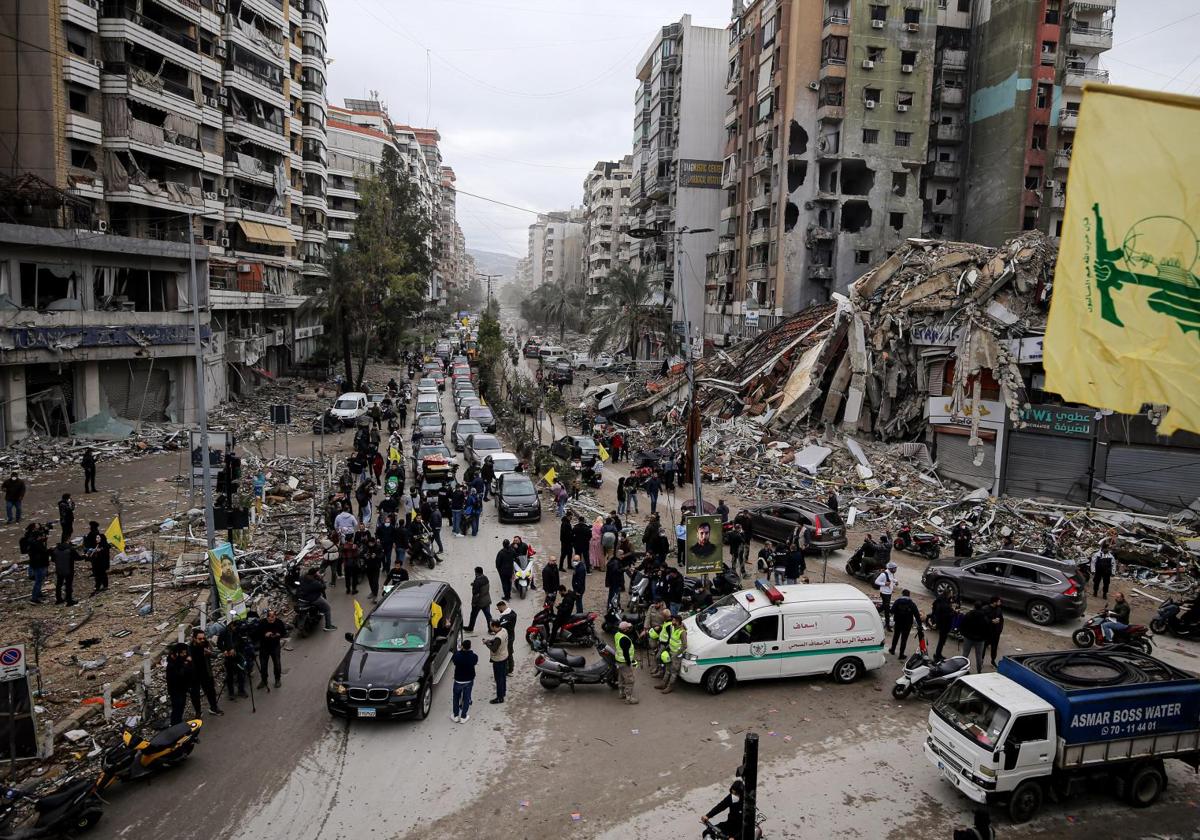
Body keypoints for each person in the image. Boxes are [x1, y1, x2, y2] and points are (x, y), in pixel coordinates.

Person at [188, 628, 224, 716]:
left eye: (203, 638)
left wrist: (210, 653)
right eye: (200, 639)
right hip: (195, 675)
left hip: (206, 673)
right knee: (195, 695)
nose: (202, 640)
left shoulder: (205, 644)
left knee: (211, 691)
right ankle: (198, 712)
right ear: (194, 638)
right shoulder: (190, 648)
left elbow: (214, 654)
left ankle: (214, 708)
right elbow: (190, 661)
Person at [255, 609, 288, 689]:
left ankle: (277, 679)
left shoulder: (279, 622)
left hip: (275, 646)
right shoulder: (262, 623)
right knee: (263, 665)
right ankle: (264, 680)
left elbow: (284, 633)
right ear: (267, 617)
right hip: (264, 647)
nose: (272, 619)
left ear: (275, 617)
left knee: (277, 664)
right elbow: (256, 635)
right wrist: (264, 635)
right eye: (270, 618)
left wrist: (278, 634)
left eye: (273, 617)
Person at [166, 643, 197, 725]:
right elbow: (179, 674)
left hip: (182, 689)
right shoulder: (172, 665)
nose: (184, 654)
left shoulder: (180, 660)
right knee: (177, 708)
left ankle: (178, 723)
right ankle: (175, 725)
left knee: (181, 707)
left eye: (185, 653)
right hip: (175, 691)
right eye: (182, 653)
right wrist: (186, 664)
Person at [217, 620, 249, 701]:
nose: (235, 628)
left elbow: (242, 642)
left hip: (238, 655)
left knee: (241, 673)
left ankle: (241, 690)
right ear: (231, 625)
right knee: (230, 675)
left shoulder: (237, 631)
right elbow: (219, 644)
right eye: (234, 626)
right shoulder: (224, 632)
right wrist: (225, 650)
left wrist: (234, 648)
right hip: (229, 657)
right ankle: (231, 693)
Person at [656, 614, 687, 694]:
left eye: (673, 620)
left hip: (676, 655)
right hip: (670, 652)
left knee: (673, 672)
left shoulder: (682, 632)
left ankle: (670, 687)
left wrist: (676, 654)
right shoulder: (673, 627)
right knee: (667, 669)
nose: (671, 621)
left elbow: (684, 646)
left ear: (677, 621)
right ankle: (663, 684)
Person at [960, 601, 991, 673]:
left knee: (965, 654)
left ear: (974, 606)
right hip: (980, 640)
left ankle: (962, 670)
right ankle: (979, 671)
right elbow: (987, 629)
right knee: (979, 656)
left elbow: (963, 625)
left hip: (968, 638)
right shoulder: (984, 617)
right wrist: (985, 638)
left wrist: (963, 633)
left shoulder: (969, 614)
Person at [451, 639, 478, 723]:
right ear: (470, 647)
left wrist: (459, 650)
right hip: (468, 680)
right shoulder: (474, 656)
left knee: (456, 698)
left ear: (462, 646)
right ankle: (463, 716)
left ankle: (455, 715)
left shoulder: (457, 655)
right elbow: (474, 662)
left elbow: (454, 661)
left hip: (458, 680)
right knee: (466, 698)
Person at [889, 589, 921, 659]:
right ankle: (901, 654)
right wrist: (920, 625)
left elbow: (891, 611)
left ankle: (892, 650)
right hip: (907, 624)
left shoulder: (897, 601)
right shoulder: (911, 603)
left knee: (896, 636)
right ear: (909, 595)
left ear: (902, 594)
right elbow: (917, 615)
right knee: (904, 639)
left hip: (898, 622)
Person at [81, 521, 110, 594]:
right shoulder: (101, 536)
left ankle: (98, 586)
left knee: (97, 573)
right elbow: (106, 547)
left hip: (96, 558)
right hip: (100, 558)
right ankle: (104, 585)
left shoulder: (90, 536)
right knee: (101, 572)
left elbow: (87, 547)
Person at [614, 620, 639, 705]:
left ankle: (621, 693)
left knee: (621, 677)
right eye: (628, 628)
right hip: (624, 662)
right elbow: (626, 653)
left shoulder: (617, 634)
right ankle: (629, 698)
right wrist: (629, 663)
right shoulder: (625, 639)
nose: (630, 628)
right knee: (629, 680)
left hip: (618, 661)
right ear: (624, 630)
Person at [485, 620, 509, 703]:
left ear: (495, 626)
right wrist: (491, 641)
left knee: (499, 679)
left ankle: (500, 697)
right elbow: (498, 641)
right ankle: (503, 691)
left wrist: (487, 644)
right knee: (503, 676)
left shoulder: (498, 637)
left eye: (491, 626)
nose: (490, 628)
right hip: (505, 656)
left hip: (498, 659)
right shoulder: (504, 630)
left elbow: (494, 649)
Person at [26, 526, 50, 604]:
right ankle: (34, 598)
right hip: (39, 564)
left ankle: (38, 593)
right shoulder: (37, 545)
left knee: (39, 580)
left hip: (36, 564)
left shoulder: (32, 543)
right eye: (41, 536)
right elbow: (43, 552)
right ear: (38, 537)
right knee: (38, 581)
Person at [931, 590, 958, 661]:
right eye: (951, 594)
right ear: (948, 594)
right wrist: (954, 613)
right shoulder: (944, 604)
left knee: (942, 640)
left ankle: (938, 654)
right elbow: (946, 615)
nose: (952, 595)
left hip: (940, 623)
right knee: (941, 641)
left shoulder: (940, 600)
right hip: (944, 625)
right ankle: (937, 656)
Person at [51, 540, 79, 606]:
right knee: (68, 585)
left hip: (59, 570)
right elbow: (78, 558)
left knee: (59, 585)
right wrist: (85, 556)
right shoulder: (70, 550)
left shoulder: (55, 550)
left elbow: (52, 559)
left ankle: (58, 599)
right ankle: (69, 600)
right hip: (69, 570)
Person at [467, 567, 493, 632]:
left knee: (473, 615)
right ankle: (491, 629)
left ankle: (470, 628)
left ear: (477, 573)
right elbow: (483, 587)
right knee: (488, 616)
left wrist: (473, 603)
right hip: (486, 600)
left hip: (479, 603)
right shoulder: (485, 578)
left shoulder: (477, 582)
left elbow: (476, 595)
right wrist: (474, 584)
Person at [646, 606, 670, 678]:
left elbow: (670, 636)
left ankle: (660, 672)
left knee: (658, 657)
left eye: (662, 615)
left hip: (664, 644)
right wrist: (660, 627)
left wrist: (667, 646)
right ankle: (657, 668)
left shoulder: (669, 625)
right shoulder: (666, 622)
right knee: (657, 655)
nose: (661, 617)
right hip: (661, 642)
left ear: (665, 616)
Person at [496, 600, 518, 676]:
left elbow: (501, 627)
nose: (499, 610)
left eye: (499, 608)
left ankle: (509, 670)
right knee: (509, 652)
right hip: (511, 635)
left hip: (508, 637)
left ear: (502, 606)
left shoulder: (507, 617)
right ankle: (509, 669)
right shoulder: (512, 613)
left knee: (508, 653)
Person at [875, 562, 898, 631]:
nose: (896, 570)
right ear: (890, 568)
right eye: (894, 568)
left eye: (896, 568)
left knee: (884, 606)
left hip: (889, 593)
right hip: (884, 593)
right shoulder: (883, 574)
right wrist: (884, 583)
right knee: (887, 609)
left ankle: (875, 612)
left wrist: (895, 582)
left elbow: (891, 580)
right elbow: (876, 581)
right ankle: (888, 626)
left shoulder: (891, 573)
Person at [985, 595, 1005, 665]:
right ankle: (981, 660)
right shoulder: (985, 609)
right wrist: (991, 621)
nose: (1000, 603)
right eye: (999, 601)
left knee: (994, 647)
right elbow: (982, 619)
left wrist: (1000, 629)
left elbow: (1002, 619)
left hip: (996, 632)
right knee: (984, 646)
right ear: (994, 602)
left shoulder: (999, 609)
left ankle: (993, 660)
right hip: (987, 632)